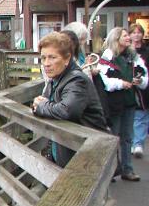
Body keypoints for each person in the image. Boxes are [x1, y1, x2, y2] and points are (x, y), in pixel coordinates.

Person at [32, 32, 108, 167]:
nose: (46, 63)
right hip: (69, 151)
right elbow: (43, 104)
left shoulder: (77, 80)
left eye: (52, 57)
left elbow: (66, 110)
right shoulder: (56, 79)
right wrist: (40, 105)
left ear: (67, 59)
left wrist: (41, 106)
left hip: (88, 155)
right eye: (43, 58)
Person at [97, 27, 148, 181]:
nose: (128, 37)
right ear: (116, 38)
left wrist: (139, 81)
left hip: (130, 102)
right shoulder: (108, 56)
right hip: (114, 103)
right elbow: (104, 79)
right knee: (113, 137)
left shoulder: (133, 57)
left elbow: (143, 74)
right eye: (125, 35)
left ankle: (127, 169)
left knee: (127, 137)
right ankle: (111, 170)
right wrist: (121, 83)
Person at [129, 23, 149, 158]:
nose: (136, 35)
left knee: (142, 114)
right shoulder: (126, 52)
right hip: (129, 87)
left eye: (138, 32)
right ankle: (135, 143)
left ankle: (137, 143)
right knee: (136, 116)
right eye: (133, 32)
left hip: (145, 86)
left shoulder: (146, 52)